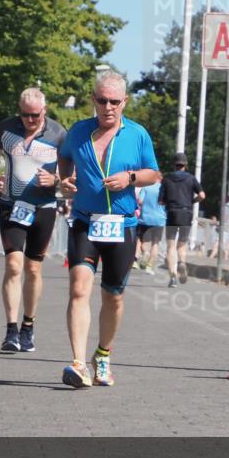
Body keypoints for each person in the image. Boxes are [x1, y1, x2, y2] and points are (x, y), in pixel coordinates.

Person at [57, 71, 160, 388]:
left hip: (122, 226)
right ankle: (77, 363)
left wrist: (129, 178)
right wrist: (66, 180)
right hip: (86, 221)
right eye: (102, 100)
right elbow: (63, 159)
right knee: (78, 288)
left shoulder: (138, 134)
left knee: (113, 296)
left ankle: (102, 354)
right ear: (93, 100)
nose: (108, 107)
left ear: (124, 102)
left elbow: (154, 174)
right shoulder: (78, 132)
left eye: (115, 101)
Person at [0, 87, 67, 353]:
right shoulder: (6, 129)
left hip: (43, 206)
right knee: (13, 264)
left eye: (35, 115)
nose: (30, 120)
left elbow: (71, 174)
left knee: (33, 269)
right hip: (11, 204)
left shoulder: (58, 133)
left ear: (44, 111)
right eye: (25, 115)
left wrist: (56, 180)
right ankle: (11, 330)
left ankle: (28, 326)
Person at [159, 152, 205, 287]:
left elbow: (161, 201)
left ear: (174, 165)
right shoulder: (191, 179)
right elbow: (202, 195)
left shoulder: (166, 179)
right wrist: (192, 201)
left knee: (171, 245)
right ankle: (182, 263)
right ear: (185, 165)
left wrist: (169, 201)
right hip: (186, 213)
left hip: (172, 213)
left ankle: (173, 276)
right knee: (182, 244)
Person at [135, 180, 165, 274]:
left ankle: (145, 253)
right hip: (160, 220)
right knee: (155, 243)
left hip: (145, 219)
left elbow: (140, 201)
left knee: (142, 240)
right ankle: (149, 266)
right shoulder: (164, 189)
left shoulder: (146, 187)